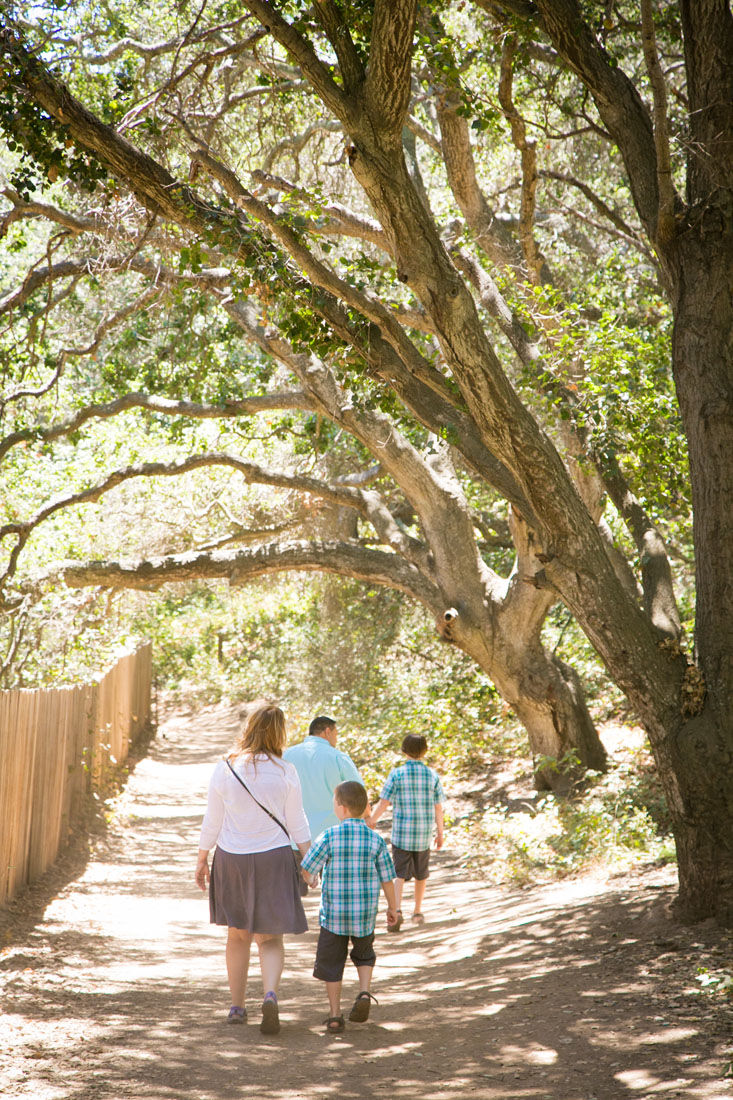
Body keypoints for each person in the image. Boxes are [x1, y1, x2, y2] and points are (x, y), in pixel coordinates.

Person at [195, 701, 311, 1035]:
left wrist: (202, 858)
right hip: (274, 858)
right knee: (271, 937)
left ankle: (237, 1006)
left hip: (232, 858)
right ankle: (270, 994)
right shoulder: (286, 770)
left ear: (249, 729)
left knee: (238, 935)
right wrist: (310, 860)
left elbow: (212, 820)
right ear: (280, 734)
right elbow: (297, 821)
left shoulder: (226, 768)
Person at [301, 781, 397, 1034]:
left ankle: (334, 1015)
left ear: (341, 809)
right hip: (364, 915)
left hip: (334, 915)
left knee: (332, 963)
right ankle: (364, 993)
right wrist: (393, 908)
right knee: (364, 954)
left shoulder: (329, 836)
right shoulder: (375, 839)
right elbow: (387, 878)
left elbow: (307, 868)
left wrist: (312, 879)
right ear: (365, 807)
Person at [368, 733, 445, 931]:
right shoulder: (432, 775)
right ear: (425, 751)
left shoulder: (397, 774)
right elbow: (438, 807)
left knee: (398, 874)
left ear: (403, 750)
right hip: (423, 834)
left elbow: (384, 801)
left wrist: (372, 820)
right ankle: (418, 912)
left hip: (402, 834)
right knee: (421, 874)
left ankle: (396, 911)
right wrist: (440, 833)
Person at [283, 715, 366, 838]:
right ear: (328, 732)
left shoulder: (287, 755)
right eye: (336, 734)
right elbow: (359, 792)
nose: (336, 740)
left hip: (296, 836)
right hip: (332, 836)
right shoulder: (338, 757)